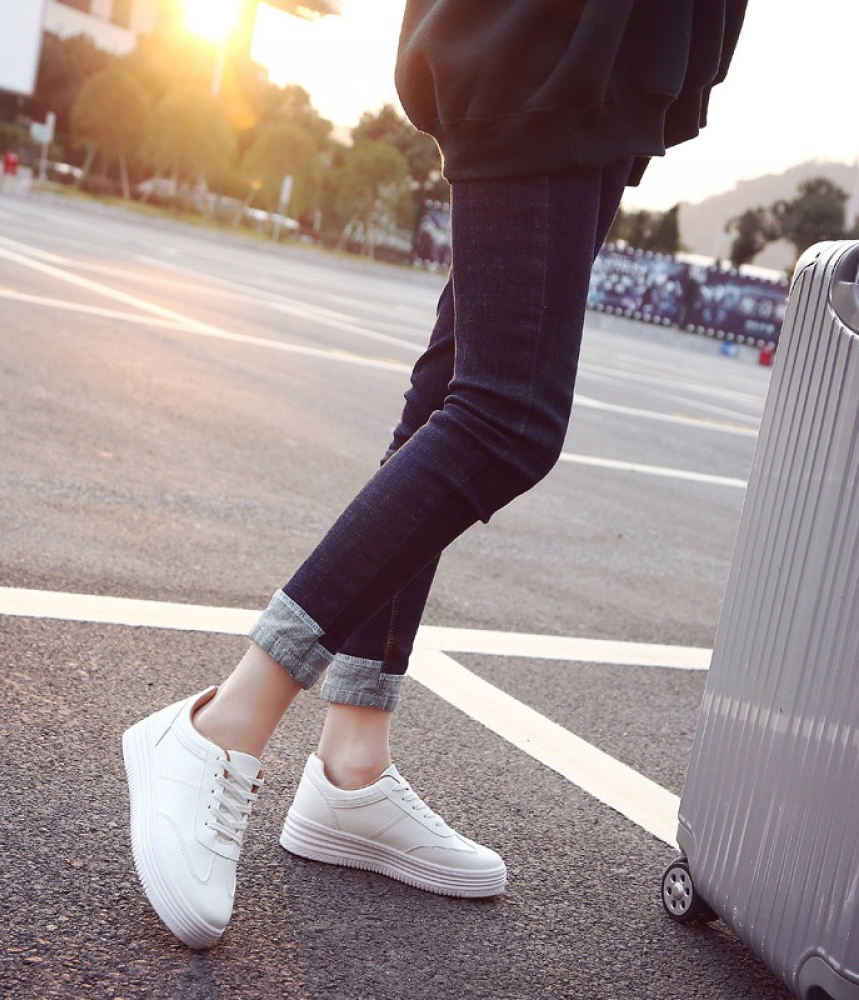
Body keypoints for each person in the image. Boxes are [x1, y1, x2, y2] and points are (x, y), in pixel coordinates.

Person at [122, 0, 749, 949]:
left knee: (455, 388)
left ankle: (351, 762)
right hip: (557, 34)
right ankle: (222, 723)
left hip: (623, 53)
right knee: (506, 418)